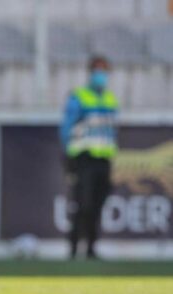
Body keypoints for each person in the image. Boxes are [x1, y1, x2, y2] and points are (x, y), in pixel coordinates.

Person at [60, 55, 119, 259]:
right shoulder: (79, 96)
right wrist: (68, 154)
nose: (101, 75)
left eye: (104, 71)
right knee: (82, 204)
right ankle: (74, 248)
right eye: (98, 70)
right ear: (91, 72)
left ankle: (92, 248)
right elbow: (67, 127)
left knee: (97, 205)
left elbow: (110, 131)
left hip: (104, 159)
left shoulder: (110, 98)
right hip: (84, 159)